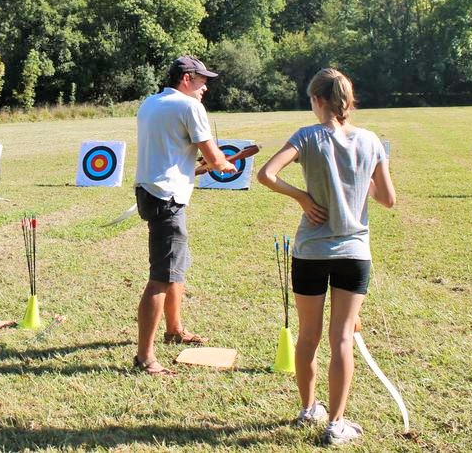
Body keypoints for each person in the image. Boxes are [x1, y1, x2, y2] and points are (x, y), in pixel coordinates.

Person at [257, 68, 396, 446]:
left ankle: (308, 408)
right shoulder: (370, 141)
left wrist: (302, 196)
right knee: (342, 340)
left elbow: (266, 174)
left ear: (317, 101)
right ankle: (336, 424)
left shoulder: (306, 137)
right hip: (354, 253)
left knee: (308, 336)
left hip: (311, 253)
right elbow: (388, 198)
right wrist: (358, 178)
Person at [133, 56, 236, 375]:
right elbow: (212, 154)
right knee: (161, 277)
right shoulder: (190, 107)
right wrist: (223, 164)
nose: (205, 87)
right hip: (168, 198)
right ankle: (144, 358)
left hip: (151, 191)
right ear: (187, 78)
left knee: (176, 265)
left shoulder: (150, 102)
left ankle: (174, 329)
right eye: (202, 80)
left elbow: (171, 150)